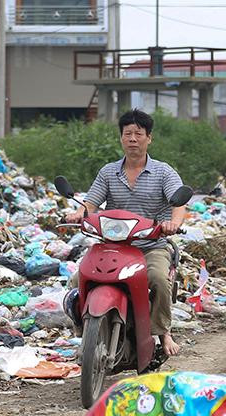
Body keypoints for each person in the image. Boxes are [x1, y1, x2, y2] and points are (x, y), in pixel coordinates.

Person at [65, 109, 186, 356]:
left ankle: (162, 332)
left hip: (151, 245)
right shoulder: (108, 172)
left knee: (160, 282)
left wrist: (173, 222)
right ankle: (84, 335)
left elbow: (179, 202)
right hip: (114, 245)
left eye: (138, 134)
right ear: (121, 138)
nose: (132, 138)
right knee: (77, 281)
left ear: (149, 138)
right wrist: (80, 214)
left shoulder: (163, 172)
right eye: (127, 133)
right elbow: (91, 202)